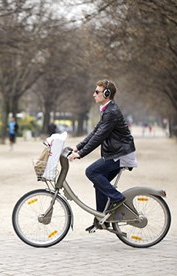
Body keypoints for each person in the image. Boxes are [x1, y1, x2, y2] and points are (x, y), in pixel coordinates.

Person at [68, 79, 137, 231]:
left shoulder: (111, 112)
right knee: (99, 181)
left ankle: (117, 198)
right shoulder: (108, 110)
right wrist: (77, 147)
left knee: (91, 171)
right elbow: (95, 132)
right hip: (116, 153)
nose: (94, 94)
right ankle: (102, 218)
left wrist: (80, 154)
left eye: (97, 92)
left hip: (121, 154)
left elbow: (99, 137)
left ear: (106, 94)